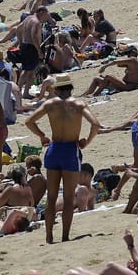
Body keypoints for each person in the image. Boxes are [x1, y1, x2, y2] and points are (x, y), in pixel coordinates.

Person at [25, 73, 100, 243]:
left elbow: (29, 121)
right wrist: (86, 141)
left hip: (54, 149)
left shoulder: (50, 104)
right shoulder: (79, 104)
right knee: (67, 198)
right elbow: (95, 124)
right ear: (71, 87)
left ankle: (49, 236)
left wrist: (42, 136)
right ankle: (65, 236)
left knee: (51, 197)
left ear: (57, 88)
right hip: (70, 151)